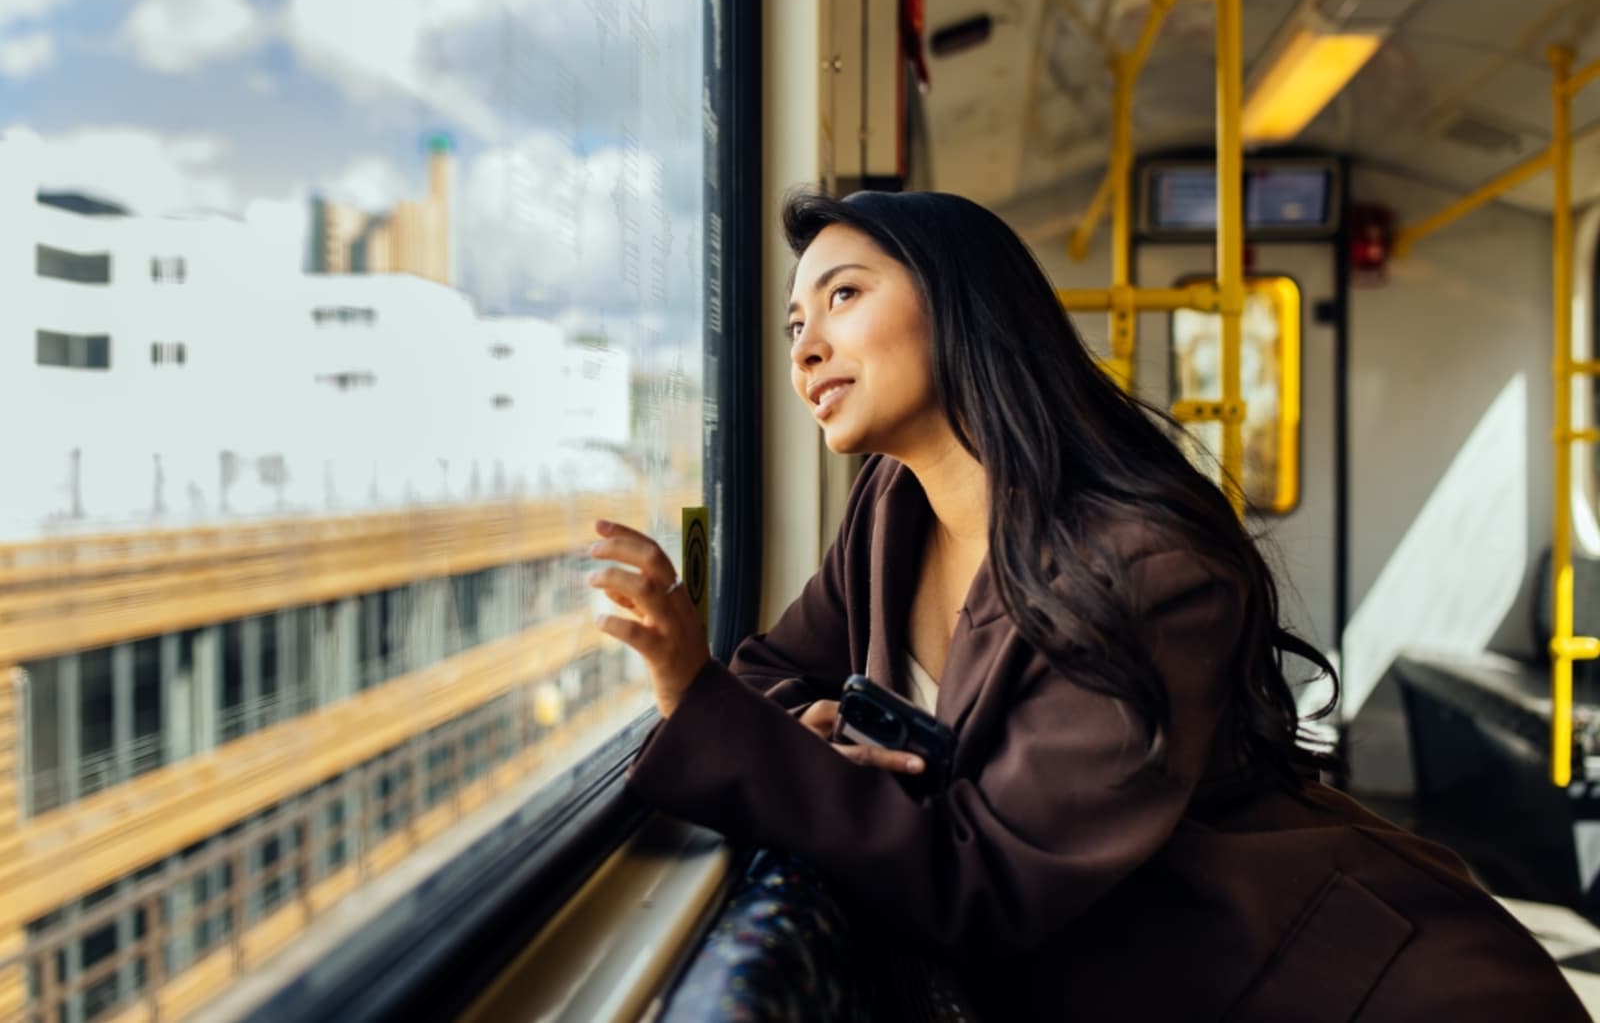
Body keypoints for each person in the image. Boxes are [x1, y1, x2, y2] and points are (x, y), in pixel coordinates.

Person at [588, 190, 1586, 1020]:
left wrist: (691, 686)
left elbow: (982, 883)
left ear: (962, 302)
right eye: (794, 323)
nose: (805, 347)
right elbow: (771, 670)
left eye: (843, 295)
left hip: (1339, 985)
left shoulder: (1148, 567)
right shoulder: (890, 511)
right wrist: (808, 727)